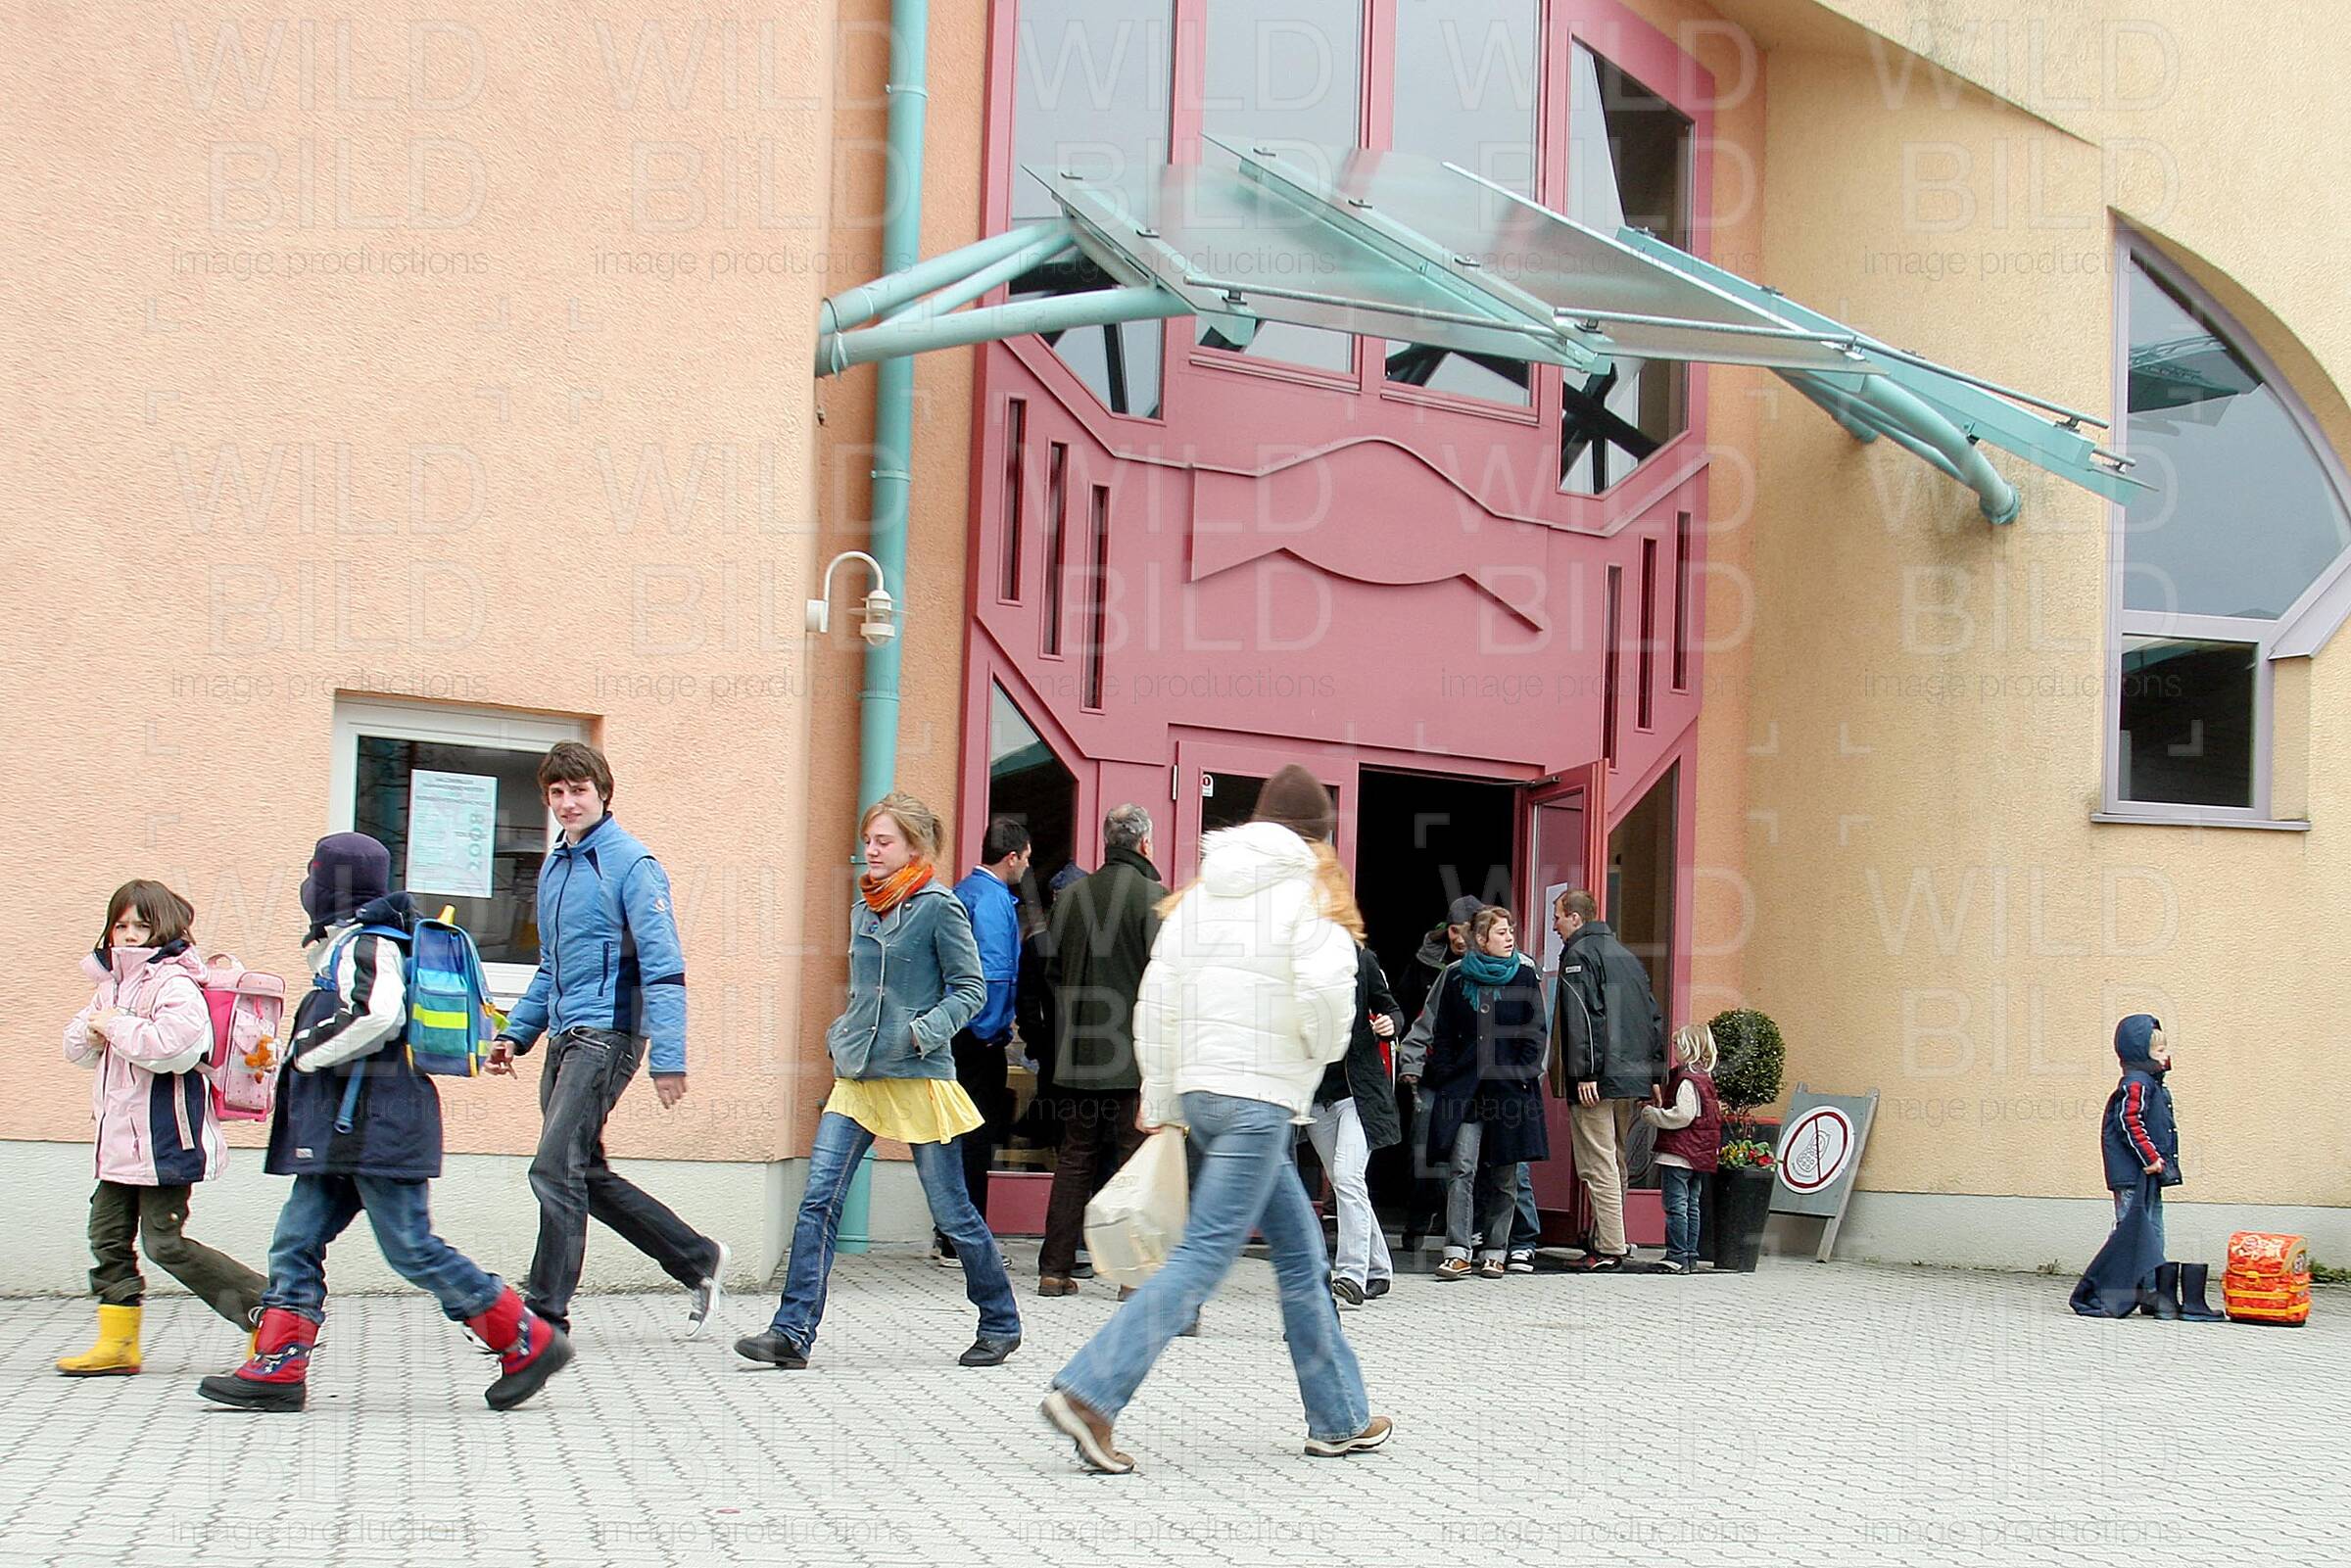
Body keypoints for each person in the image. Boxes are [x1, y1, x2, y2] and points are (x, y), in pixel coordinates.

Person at [1040, 765, 1390, 1473]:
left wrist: (1165, 1095)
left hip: (1205, 1094)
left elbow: (1158, 998)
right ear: (1318, 838)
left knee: (1302, 1256)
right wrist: (1312, 1054)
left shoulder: (1200, 892)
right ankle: (1089, 1392)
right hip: (1259, 1103)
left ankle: (1340, 1416)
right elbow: (1329, 1001)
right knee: (1203, 1254)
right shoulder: (1311, 897)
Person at [199, 834, 570, 1412]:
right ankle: (278, 1368)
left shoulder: (367, 942)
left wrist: (303, 1054)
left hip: (377, 1129)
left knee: (410, 1247)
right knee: (296, 1241)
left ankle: (527, 1339)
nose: (307, 887)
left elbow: (377, 1015)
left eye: (314, 875)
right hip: (343, 1132)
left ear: (332, 884)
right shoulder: (349, 943)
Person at [736, 792, 1023, 1369]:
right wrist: (841, 1033)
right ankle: (791, 1332)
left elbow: (971, 990)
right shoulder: (864, 908)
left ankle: (1000, 1321)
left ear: (913, 847)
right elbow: (862, 989)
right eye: (868, 839)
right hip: (859, 1076)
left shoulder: (940, 907)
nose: (871, 849)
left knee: (953, 1212)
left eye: (883, 840)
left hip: (917, 1076)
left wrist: (921, 1034)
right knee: (818, 1200)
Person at [487, 741, 728, 1338]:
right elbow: (550, 967)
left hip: (608, 1034)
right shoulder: (554, 866)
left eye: (579, 791)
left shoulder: (632, 863)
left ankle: (545, 1315)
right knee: (581, 1173)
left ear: (603, 793)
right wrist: (516, 1034)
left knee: (553, 1167)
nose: (568, 803)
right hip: (565, 1035)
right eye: (557, 793)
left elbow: (663, 967)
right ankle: (696, 1257)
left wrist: (668, 1058)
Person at [58, 880, 265, 1377]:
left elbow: (177, 1049)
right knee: (107, 1238)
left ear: (165, 928)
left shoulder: (175, 982)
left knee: (164, 1244)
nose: (129, 935)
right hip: (117, 1144)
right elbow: (76, 1049)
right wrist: (94, 1029)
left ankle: (266, 1309)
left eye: (141, 925)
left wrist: (112, 1025)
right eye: (121, 925)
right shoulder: (112, 984)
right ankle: (118, 1344)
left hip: (165, 1140)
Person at [1036, 805, 1164, 1296]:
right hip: (1134, 1059)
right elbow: (1165, 982)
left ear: (1108, 841)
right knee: (1135, 1166)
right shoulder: (1155, 899)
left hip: (1077, 1055)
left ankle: (1054, 1270)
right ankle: (1131, 1277)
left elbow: (1050, 975)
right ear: (1144, 843)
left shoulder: (1070, 898)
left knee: (1075, 1159)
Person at [1420, 907, 1550, 1281]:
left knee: (1506, 1174)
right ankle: (1457, 1251)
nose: (1509, 939)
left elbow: (1535, 1032)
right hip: (1466, 1089)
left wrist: (1522, 1075)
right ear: (1481, 939)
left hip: (1509, 1088)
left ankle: (1496, 1251)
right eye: (1501, 933)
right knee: (1462, 1167)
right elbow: (1443, 1033)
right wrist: (1446, 1074)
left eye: (1510, 932)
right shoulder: (1456, 977)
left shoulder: (1523, 975)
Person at [1552, 888, 1665, 1269]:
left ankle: (1610, 1247)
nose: (1554, 926)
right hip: (1629, 1077)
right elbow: (1652, 1017)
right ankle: (1608, 1238)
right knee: (1615, 1159)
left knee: (1597, 1162)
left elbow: (1582, 1017)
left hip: (1597, 1079)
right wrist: (1653, 1073)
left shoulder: (1579, 955)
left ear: (1575, 918)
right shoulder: (1627, 957)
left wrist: (1583, 1072)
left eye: (1557, 917)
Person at [937, 817, 1031, 1266]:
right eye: (1026, 859)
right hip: (977, 1037)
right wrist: (992, 1031)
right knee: (976, 1135)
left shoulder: (965, 891)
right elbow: (994, 974)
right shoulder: (992, 900)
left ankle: (949, 1233)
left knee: (954, 1133)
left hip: (955, 1031)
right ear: (1011, 857)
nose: (1026, 868)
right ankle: (966, 1241)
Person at [1310, 933, 1404, 1306]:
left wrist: (1389, 1023)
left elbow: (1391, 1008)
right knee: (1344, 1183)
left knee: (1348, 1177)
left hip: (1358, 1093)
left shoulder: (1361, 959)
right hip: (1317, 1097)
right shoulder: (1295, 963)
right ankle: (1379, 1268)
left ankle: (1351, 1273)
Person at [1641, 1022, 1721, 1274]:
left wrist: (1651, 1114)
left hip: (1678, 1154)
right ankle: (1690, 1256)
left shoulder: (1686, 1079)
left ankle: (1676, 1255)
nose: (1674, 1050)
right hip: (1700, 1155)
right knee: (1692, 1205)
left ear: (1689, 1048)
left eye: (1677, 1045)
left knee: (1676, 1206)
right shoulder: (1705, 1078)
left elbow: (1683, 1115)